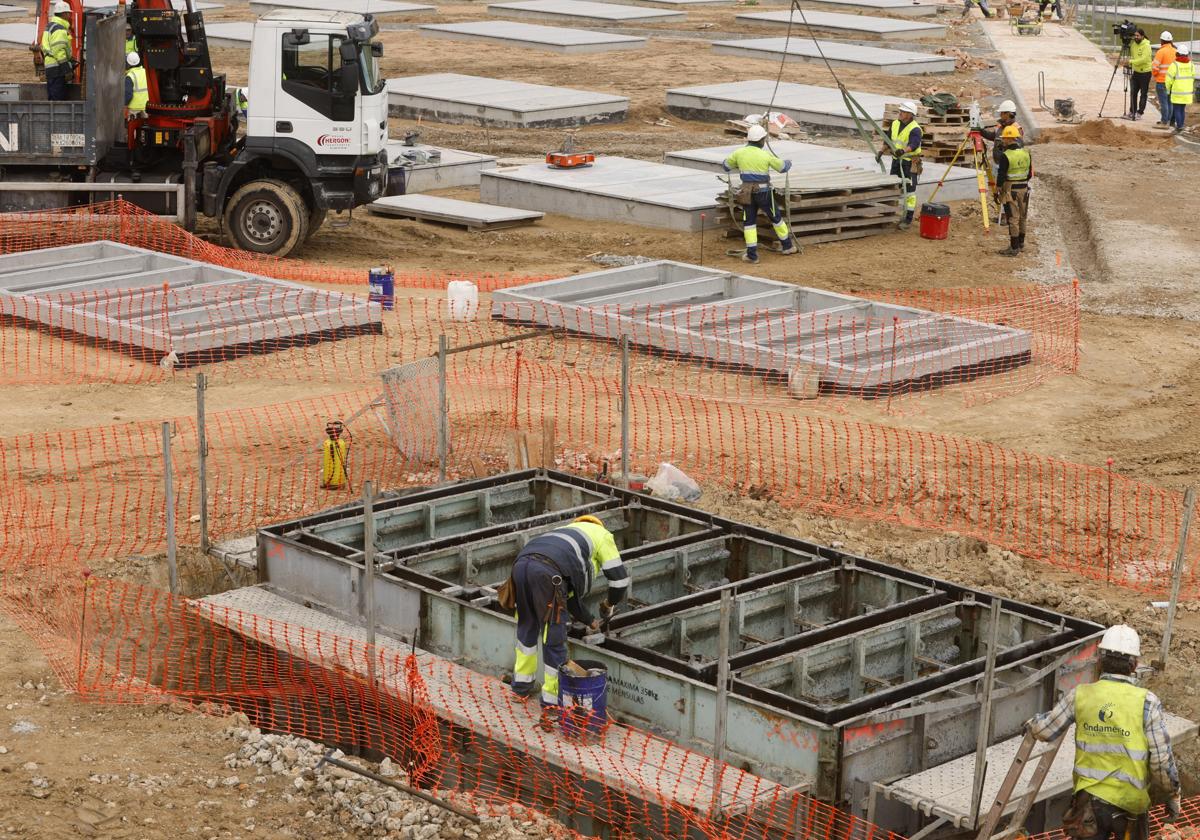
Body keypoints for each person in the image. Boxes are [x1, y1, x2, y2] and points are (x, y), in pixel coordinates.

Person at [1027, 625, 1181, 840]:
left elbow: (1044, 731)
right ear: (1134, 664)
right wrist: (1171, 794)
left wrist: (1032, 722)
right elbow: (1161, 763)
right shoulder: (1147, 702)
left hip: (1088, 804)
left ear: (1099, 660)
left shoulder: (1080, 695)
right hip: (1130, 808)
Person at [509, 516, 630, 720]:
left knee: (527, 627)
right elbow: (619, 581)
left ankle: (521, 688)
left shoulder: (565, 533)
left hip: (520, 567)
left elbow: (568, 593)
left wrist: (590, 620)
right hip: (549, 575)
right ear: (598, 525)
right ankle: (551, 702)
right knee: (554, 638)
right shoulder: (602, 536)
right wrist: (609, 605)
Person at [722, 125, 801, 264]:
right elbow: (783, 168)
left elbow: (726, 166)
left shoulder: (739, 153)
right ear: (761, 140)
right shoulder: (765, 155)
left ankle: (752, 255)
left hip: (746, 193)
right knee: (776, 218)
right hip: (764, 193)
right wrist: (788, 162)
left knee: (749, 223)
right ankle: (787, 246)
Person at [882, 101, 922, 230]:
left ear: (910, 115)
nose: (900, 113)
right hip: (896, 161)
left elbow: (914, 144)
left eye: (903, 112)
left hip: (909, 163)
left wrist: (903, 151)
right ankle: (889, 215)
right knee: (893, 188)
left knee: (910, 192)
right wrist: (881, 151)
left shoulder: (915, 129)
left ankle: (907, 219)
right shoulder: (895, 124)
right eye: (901, 111)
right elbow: (887, 139)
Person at [994, 125, 1031, 256]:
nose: (1003, 141)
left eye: (1004, 139)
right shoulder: (1026, 153)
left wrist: (998, 189)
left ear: (1009, 139)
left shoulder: (1006, 155)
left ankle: (1013, 247)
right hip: (1024, 189)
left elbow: (1001, 174)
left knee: (1013, 218)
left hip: (1011, 190)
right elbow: (1029, 174)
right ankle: (1021, 244)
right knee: (1023, 217)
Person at [40, 1, 74, 102]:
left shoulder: (51, 26)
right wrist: (67, 70)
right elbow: (59, 52)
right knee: (57, 99)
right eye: (68, 13)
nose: (70, 15)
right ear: (64, 14)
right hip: (57, 68)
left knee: (53, 96)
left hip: (51, 67)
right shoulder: (59, 29)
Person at [1165, 43, 1194, 133]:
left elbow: (1168, 80)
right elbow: (1192, 78)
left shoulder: (1175, 65)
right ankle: (1181, 125)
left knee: (1177, 109)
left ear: (1177, 54)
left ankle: (1179, 127)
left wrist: (1168, 89)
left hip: (1177, 92)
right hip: (1187, 93)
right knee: (1182, 109)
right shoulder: (1191, 65)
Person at [1126, 29, 1152, 120]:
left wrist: (1131, 62)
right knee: (1133, 92)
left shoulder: (1146, 45)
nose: (1136, 37)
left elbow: (1144, 59)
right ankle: (1132, 111)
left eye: (1138, 36)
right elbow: (1133, 57)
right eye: (1135, 36)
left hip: (1145, 73)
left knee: (1143, 94)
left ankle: (1140, 112)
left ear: (1142, 36)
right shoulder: (1133, 45)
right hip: (1136, 72)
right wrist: (1130, 64)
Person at [1152, 32, 1178, 126]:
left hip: (1162, 81)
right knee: (1169, 102)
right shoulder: (1175, 51)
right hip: (1172, 82)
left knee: (1164, 103)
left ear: (1162, 41)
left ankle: (1164, 121)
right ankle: (1168, 121)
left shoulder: (1161, 51)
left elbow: (1155, 67)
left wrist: (1156, 75)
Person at [124, 51, 148, 116]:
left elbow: (128, 95)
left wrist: (124, 105)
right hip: (146, 107)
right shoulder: (145, 72)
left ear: (128, 64)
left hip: (134, 110)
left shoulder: (130, 76)